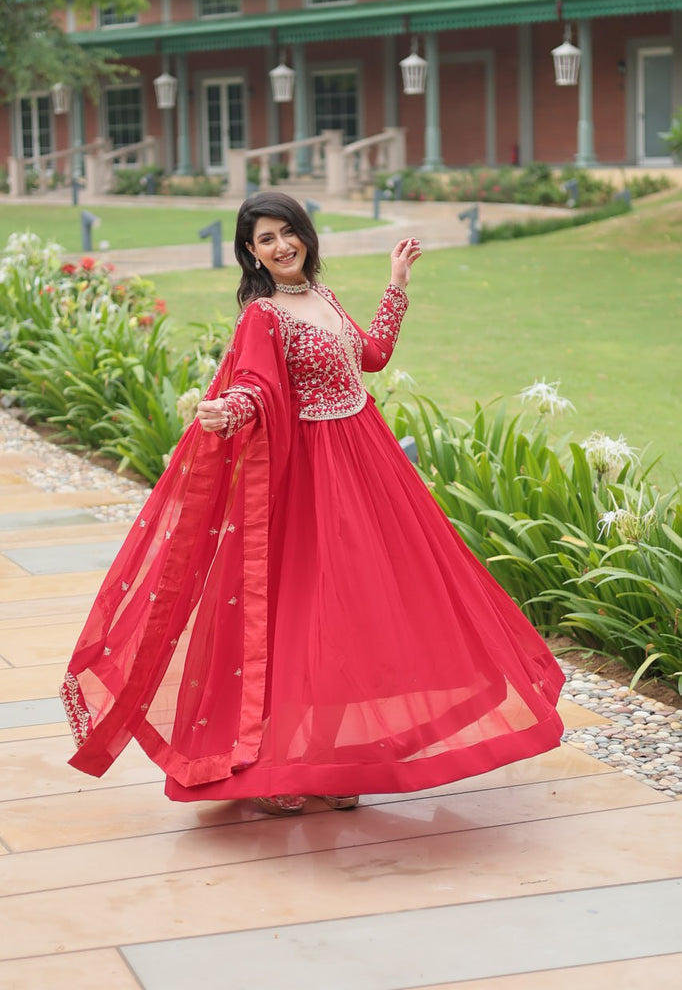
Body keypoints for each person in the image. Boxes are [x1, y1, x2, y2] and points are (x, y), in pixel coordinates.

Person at [60, 192, 565, 816]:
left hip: (369, 468)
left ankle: (328, 759)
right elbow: (254, 387)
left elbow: (371, 358)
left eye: (288, 232)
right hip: (309, 482)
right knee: (301, 615)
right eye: (265, 239)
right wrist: (227, 412)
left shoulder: (322, 299)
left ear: (305, 234)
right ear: (251, 253)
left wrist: (396, 286)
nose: (281, 245)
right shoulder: (262, 317)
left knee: (358, 612)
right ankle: (279, 766)